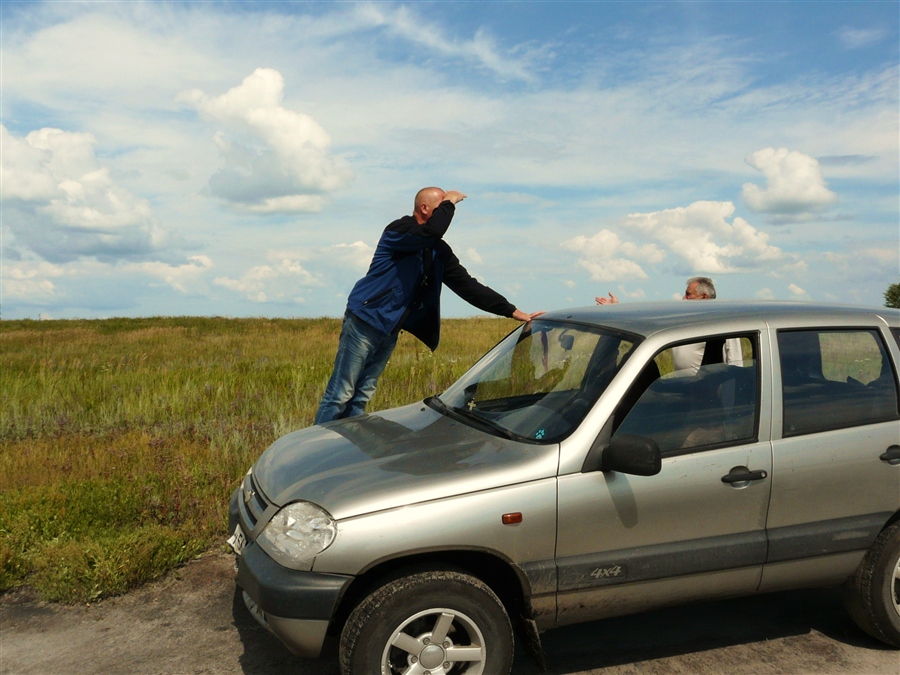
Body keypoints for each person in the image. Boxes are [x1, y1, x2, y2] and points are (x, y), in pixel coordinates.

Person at [315, 187, 544, 424]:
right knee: (340, 395)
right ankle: (315, 444)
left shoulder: (438, 251)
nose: (445, 212)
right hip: (365, 321)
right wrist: (451, 201)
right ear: (424, 208)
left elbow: (468, 286)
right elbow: (433, 230)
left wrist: (512, 311)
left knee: (362, 395)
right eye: (440, 207)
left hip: (389, 330)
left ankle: (345, 444)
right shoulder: (399, 230)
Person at [595, 276, 742, 374]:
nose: (683, 299)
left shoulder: (722, 324)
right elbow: (647, 323)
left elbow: (735, 364)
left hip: (709, 393)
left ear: (704, 296)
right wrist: (616, 309)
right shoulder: (683, 320)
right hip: (685, 390)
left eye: (688, 294)